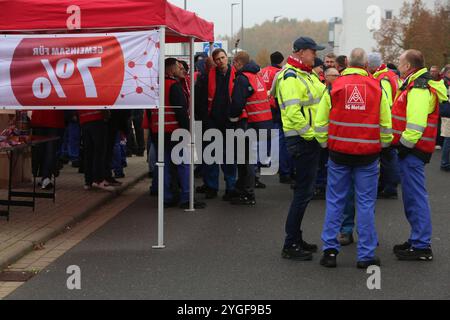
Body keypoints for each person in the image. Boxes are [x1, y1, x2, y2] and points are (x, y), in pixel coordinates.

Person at [315, 48, 393, 268]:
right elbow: (386, 124)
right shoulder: (377, 88)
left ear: (347, 62)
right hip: (368, 155)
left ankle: (330, 252)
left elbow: (321, 122)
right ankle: (366, 255)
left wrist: (325, 143)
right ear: (366, 64)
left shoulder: (334, 87)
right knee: (366, 204)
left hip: (338, 153)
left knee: (335, 201)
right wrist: (383, 145)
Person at [391, 49, 447, 261]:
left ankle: (421, 245)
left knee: (415, 197)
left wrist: (404, 146)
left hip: (413, 150)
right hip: (413, 149)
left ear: (408, 66)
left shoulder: (419, 88)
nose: (397, 65)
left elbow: (415, 124)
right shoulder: (415, 85)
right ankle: (417, 240)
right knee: (412, 196)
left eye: (400, 62)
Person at [274, 36, 326, 261]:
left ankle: (296, 238)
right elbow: (293, 113)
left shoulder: (306, 73)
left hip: (309, 140)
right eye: (313, 51)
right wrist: (313, 135)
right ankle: (290, 243)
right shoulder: (291, 76)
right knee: (303, 194)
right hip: (303, 140)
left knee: (305, 193)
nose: (315, 55)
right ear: (302, 52)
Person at [150, 58, 205, 209]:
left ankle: (166, 198)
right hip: (175, 131)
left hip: (158, 132)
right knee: (184, 164)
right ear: (170, 69)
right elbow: (180, 111)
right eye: (176, 66)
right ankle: (187, 197)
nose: (178, 69)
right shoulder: (173, 86)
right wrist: (187, 131)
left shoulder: (155, 86)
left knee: (165, 165)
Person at [229, 51, 273, 205]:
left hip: (250, 124)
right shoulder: (256, 76)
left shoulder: (243, 78)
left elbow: (237, 103)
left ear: (238, 62)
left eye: (234, 63)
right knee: (247, 157)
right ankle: (242, 188)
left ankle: (247, 193)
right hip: (263, 122)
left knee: (245, 159)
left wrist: (231, 116)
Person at [196, 49, 238, 201]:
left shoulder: (237, 75)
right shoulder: (206, 77)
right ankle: (212, 187)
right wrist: (205, 120)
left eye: (223, 58)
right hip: (212, 121)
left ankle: (231, 187)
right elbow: (200, 101)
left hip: (229, 121)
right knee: (211, 156)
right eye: (218, 59)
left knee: (229, 157)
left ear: (227, 58)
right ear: (214, 61)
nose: (221, 61)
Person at [368, 52, 401, 199]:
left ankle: (390, 187)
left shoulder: (383, 78)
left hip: (386, 123)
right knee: (388, 155)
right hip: (392, 121)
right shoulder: (389, 75)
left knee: (388, 156)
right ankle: (386, 184)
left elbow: (386, 102)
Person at [260, 51, 294, 184]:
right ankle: (280, 165)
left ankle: (264, 160)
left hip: (263, 106)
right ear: (281, 61)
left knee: (267, 136)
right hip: (275, 107)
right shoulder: (279, 73)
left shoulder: (263, 71)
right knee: (279, 139)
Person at [30, 110, 65, 190]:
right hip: (54, 120)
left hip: (38, 119)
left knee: (40, 150)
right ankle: (46, 177)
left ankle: (42, 176)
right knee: (50, 151)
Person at [440, 65, 450, 171]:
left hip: (446, 112)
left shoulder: (445, 82)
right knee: (448, 139)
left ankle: (445, 162)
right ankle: (445, 163)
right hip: (448, 113)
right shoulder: (445, 83)